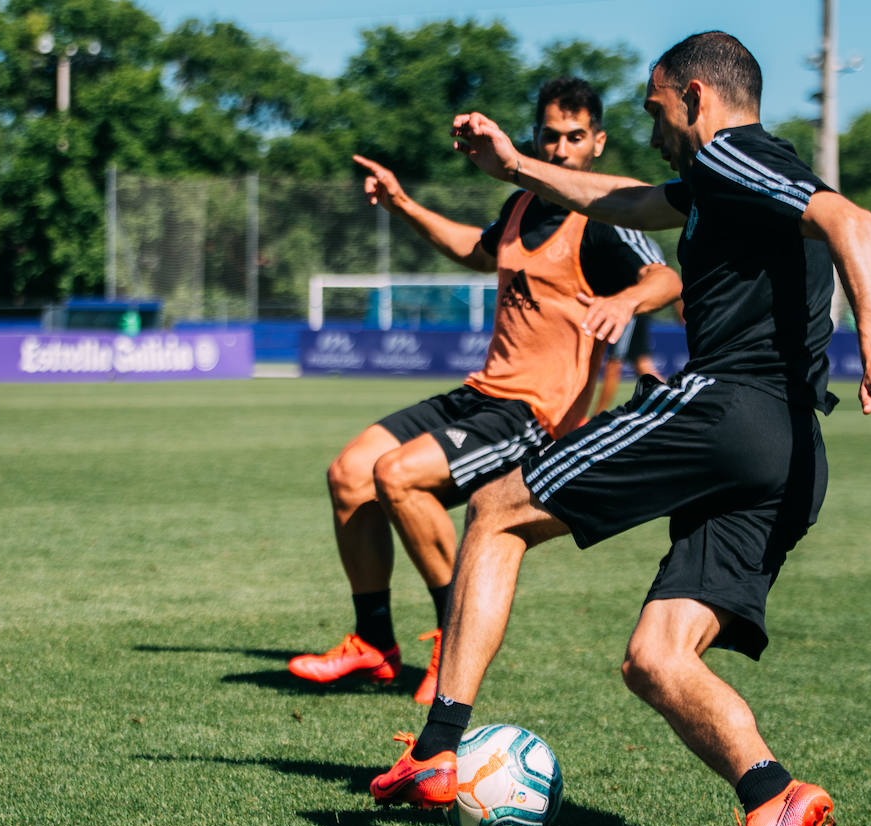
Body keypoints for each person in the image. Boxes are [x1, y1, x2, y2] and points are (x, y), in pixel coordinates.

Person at [369, 32, 871, 826]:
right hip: (791, 451)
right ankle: (773, 795)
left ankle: (438, 746)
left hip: (728, 408)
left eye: (656, 107)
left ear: (696, 98)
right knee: (656, 658)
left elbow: (851, 221)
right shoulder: (722, 179)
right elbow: (620, 197)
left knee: (499, 505)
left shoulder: (735, 155)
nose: (653, 125)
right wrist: (514, 167)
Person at [287, 77, 681, 704]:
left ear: (598, 143)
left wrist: (628, 300)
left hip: (534, 414)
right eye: (549, 136)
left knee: (398, 476)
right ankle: (374, 645)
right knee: (350, 473)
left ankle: (454, 641)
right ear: (535, 138)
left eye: (575, 137)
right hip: (482, 393)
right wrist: (403, 204)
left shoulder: (604, 214)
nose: (560, 148)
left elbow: (665, 278)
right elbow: (478, 250)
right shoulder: (523, 205)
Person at [590, 308, 672, 414]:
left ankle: (598, 414)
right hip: (637, 312)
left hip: (628, 315)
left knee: (613, 366)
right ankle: (675, 399)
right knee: (642, 365)